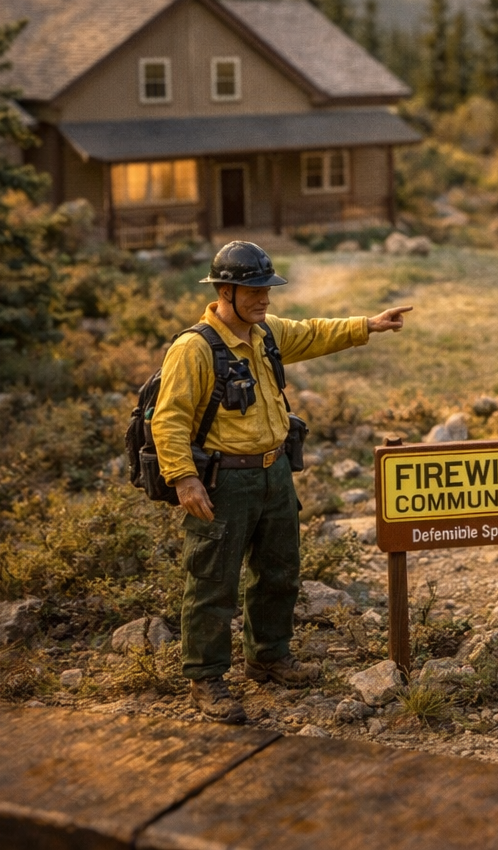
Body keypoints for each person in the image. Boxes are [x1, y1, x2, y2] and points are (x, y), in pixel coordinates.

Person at [153, 241, 412, 724]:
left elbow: (313, 333)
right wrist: (185, 480)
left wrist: (368, 325)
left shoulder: (265, 333)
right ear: (224, 291)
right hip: (223, 481)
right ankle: (206, 678)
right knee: (213, 580)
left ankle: (268, 656)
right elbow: (168, 420)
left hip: (274, 473)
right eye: (254, 290)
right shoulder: (194, 348)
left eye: (267, 290)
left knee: (279, 571)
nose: (264, 299)